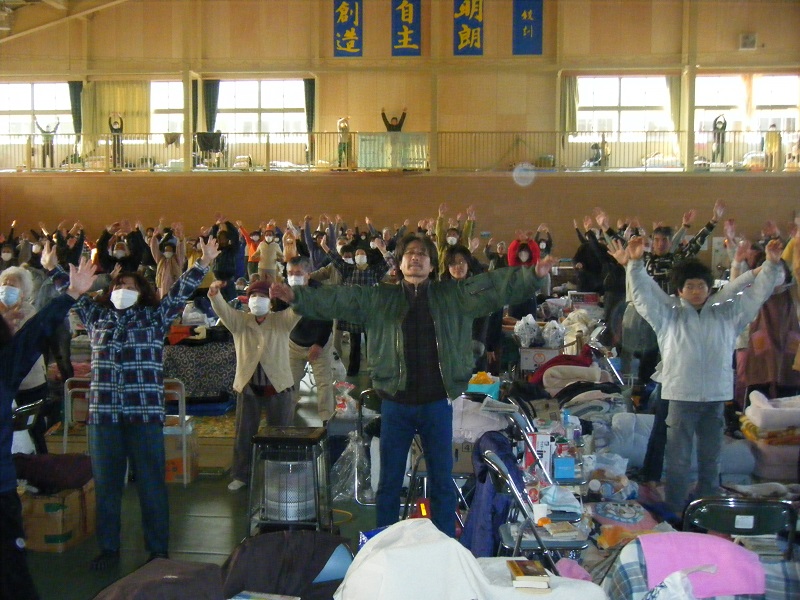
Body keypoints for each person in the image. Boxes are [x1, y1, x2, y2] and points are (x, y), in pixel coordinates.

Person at [270, 232, 555, 537]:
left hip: (437, 405)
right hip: (396, 405)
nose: (415, 258)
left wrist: (531, 276)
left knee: (442, 483)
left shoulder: (453, 296)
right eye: (410, 254)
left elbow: (494, 287)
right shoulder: (381, 299)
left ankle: (443, 544)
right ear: (401, 263)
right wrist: (297, 297)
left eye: (422, 254)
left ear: (432, 265)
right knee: (389, 483)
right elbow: (341, 298)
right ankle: (383, 543)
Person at [49, 236, 218, 570]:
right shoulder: (98, 318)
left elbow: (180, 292)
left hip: (144, 417)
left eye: (128, 284)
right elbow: (70, 291)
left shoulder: (155, 320)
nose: (121, 288)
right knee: (107, 488)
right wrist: (49, 267)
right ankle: (109, 549)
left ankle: (157, 551)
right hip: (104, 418)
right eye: (117, 284)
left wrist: (202, 263)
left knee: (152, 486)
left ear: (141, 291)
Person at [611, 236, 784, 517]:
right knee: (677, 461)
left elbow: (755, 295)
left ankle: (708, 510)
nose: (695, 291)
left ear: (709, 288)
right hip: (680, 398)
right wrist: (635, 264)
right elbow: (644, 295)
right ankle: (676, 511)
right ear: (679, 290)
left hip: (715, 399)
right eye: (689, 286)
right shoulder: (668, 317)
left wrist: (772, 265)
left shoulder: (727, 316)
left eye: (700, 286)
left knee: (710, 460)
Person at [0, 244, 95, 600]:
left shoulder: (5, 367)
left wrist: (70, 294)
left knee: (12, 575)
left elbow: (35, 332)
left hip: (1, 491)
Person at [209, 279, 300, 492]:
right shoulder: (239, 321)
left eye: (263, 297)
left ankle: (279, 473)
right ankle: (241, 474)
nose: (257, 300)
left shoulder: (282, 320)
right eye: (253, 296)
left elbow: (299, 310)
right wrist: (215, 294)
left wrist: (291, 296)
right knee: (244, 433)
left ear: (271, 302)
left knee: (281, 433)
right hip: (249, 386)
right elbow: (222, 309)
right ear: (247, 300)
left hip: (279, 386)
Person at [283, 256, 335, 422]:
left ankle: (327, 419)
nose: (293, 276)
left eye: (298, 272)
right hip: (294, 344)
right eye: (290, 273)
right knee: (290, 382)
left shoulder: (321, 292)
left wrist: (319, 344)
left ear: (308, 274)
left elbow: (327, 320)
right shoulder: (284, 291)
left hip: (319, 344)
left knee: (324, 383)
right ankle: (287, 414)